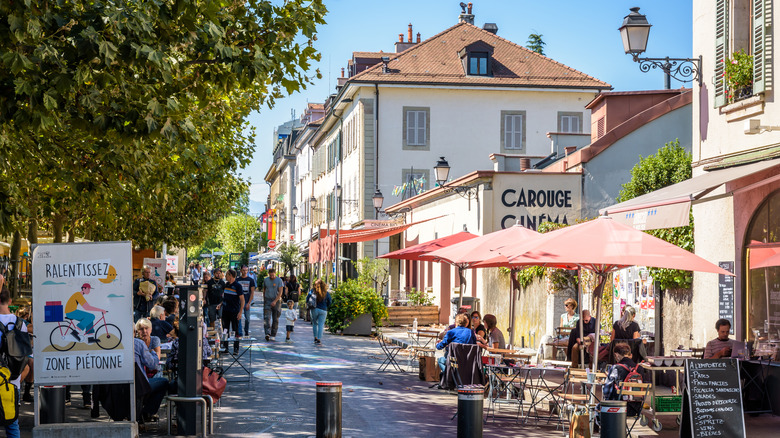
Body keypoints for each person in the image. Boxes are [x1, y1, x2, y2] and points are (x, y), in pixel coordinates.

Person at [0, 287, 30, 435]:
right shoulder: (21, 324)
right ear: (9, 301)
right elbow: (24, 354)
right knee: (12, 425)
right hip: (13, 383)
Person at [134, 337, 170, 423]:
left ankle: (144, 413)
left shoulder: (113, 343)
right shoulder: (138, 343)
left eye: (146, 328)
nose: (144, 332)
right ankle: (147, 412)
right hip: (139, 384)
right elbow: (152, 364)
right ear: (135, 332)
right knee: (164, 382)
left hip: (119, 387)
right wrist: (154, 353)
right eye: (141, 329)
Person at [221, 269, 244, 353]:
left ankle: (236, 348)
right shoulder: (226, 285)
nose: (225, 277)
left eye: (227, 275)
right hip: (225, 311)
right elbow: (224, 297)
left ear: (230, 275)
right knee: (225, 329)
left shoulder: (238, 286)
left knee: (235, 330)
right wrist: (221, 304)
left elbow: (242, 300)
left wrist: (240, 312)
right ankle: (225, 347)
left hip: (234, 311)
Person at [262, 268, 285, 342]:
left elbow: (280, 292)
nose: (272, 276)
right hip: (268, 300)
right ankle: (267, 333)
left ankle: (273, 334)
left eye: (273, 275)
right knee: (266, 318)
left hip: (277, 300)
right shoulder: (266, 280)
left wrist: (275, 301)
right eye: (270, 275)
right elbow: (264, 289)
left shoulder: (279, 280)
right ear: (268, 274)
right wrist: (264, 299)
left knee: (275, 318)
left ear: (275, 274)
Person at [236, 265, 256, 336]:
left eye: (246, 270)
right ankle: (240, 332)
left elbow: (252, 292)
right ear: (241, 271)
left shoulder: (251, 280)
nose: (245, 272)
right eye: (243, 270)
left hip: (247, 301)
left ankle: (246, 330)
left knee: (247, 319)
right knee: (239, 317)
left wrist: (249, 303)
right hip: (239, 302)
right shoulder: (237, 280)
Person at [311, 279, 332, 345]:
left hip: (314, 309)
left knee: (315, 323)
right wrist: (326, 306)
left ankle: (315, 337)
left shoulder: (312, 291)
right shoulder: (326, 293)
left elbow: (307, 299)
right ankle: (319, 339)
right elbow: (330, 301)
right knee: (321, 324)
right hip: (323, 310)